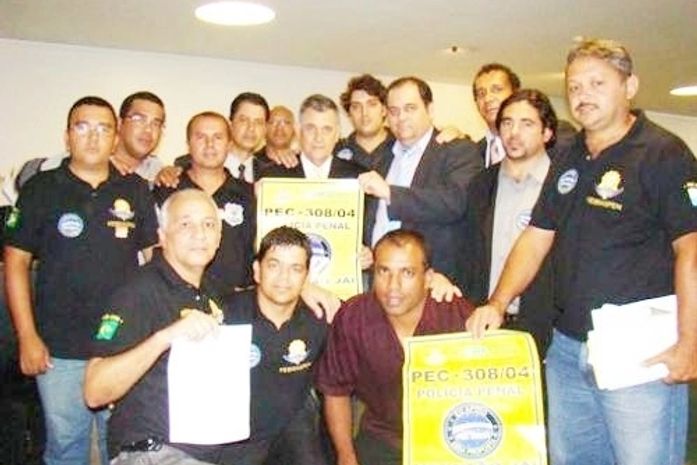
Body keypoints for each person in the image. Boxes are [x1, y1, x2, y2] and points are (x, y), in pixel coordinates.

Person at [467, 39, 697, 465]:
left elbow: (692, 249)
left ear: (629, 86)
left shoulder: (664, 153)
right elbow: (537, 235)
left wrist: (691, 342)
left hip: (638, 349)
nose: (582, 95)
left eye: (596, 83)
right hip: (567, 347)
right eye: (574, 86)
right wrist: (497, 302)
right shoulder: (569, 155)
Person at [5, 96, 159, 465]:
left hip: (121, 344)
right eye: (83, 127)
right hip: (58, 346)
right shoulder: (41, 188)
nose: (93, 137)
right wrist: (27, 337)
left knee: (120, 446)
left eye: (104, 129)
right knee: (65, 447)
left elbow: (154, 262)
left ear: (115, 137)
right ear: (67, 135)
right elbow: (15, 262)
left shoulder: (135, 189)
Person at [84, 189, 223, 465]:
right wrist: (166, 337)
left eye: (208, 224)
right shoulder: (139, 291)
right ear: (162, 236)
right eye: (186, 224)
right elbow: (94, 391)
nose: (199, 234)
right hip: (152, 452)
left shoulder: (211, 295)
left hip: (204, 451)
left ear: (219, 238)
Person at [315, 229, 474, 465]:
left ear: (428, 278)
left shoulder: (455, 314)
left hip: (449, 438)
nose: (393, 286)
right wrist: (346, 455)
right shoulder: (353, 316)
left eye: (407, 273)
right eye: (384, 271)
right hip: (383, 436)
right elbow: (335, 390)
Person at [218, 226, 328, 465]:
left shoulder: (320, 318)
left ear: (306, 277)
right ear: (257, 271)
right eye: (274, 265)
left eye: (295, 268)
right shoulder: (224, 314)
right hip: (237, 437)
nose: (284, 278)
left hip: (292, 430)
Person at [462, 88, 559, 356]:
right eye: (507, 123)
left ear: (547, 132)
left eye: (526, 124)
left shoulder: (563, 185)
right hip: (486, 323)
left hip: (548, 328)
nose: (514, 133)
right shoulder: (481, 183)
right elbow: (468, 252)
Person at [360, 76, 483, 285]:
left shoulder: (458, 151)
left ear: (430, 110)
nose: (401, 117)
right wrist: (365, 249)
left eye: (410, 108)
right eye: (394, 111)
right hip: (380, 282)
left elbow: (456, 202)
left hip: (435, 283)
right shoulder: (381, 157)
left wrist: (390, 193)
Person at [1, 91, 166, 206]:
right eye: (139, 119)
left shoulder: (161, 178)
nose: (148, 129)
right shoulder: (43, 170)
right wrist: (99, 164)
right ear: (119, 123)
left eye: (156, 123)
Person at [154, 111, 255, 297]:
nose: (210, 144)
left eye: (218, 137)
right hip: (174, 299)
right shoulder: (167, 190)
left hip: (234, 301)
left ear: (229, 144)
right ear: (188, 144)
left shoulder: (249, 195)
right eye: (201, 137)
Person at [260, 94, 365, 180]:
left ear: (337, 134)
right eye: (311, 128)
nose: (318, 138)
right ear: (298, 131)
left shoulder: (358, 178)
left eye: (326, 129)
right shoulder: (272, 177)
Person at [472, 63, 521, 167]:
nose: (488, 99)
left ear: (516, 95)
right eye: (481, 94)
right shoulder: (473, 154)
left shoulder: (541, 144)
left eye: (497, 90)